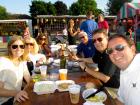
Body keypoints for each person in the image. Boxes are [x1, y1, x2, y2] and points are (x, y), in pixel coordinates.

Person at [107, 34, 140, 105]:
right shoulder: (124, 70)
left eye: (119, 47)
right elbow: (121, 101)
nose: (114, 53)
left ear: (132, 49)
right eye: (110, 51)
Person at [0, 35, 31, 105]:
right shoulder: (3, 62)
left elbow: (29, 80)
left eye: (21, 46)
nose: (18, 49)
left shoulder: (22, 62)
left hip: (18, 98)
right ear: (9, 48)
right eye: (14, 46)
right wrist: (16, 93)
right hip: (5, 101)